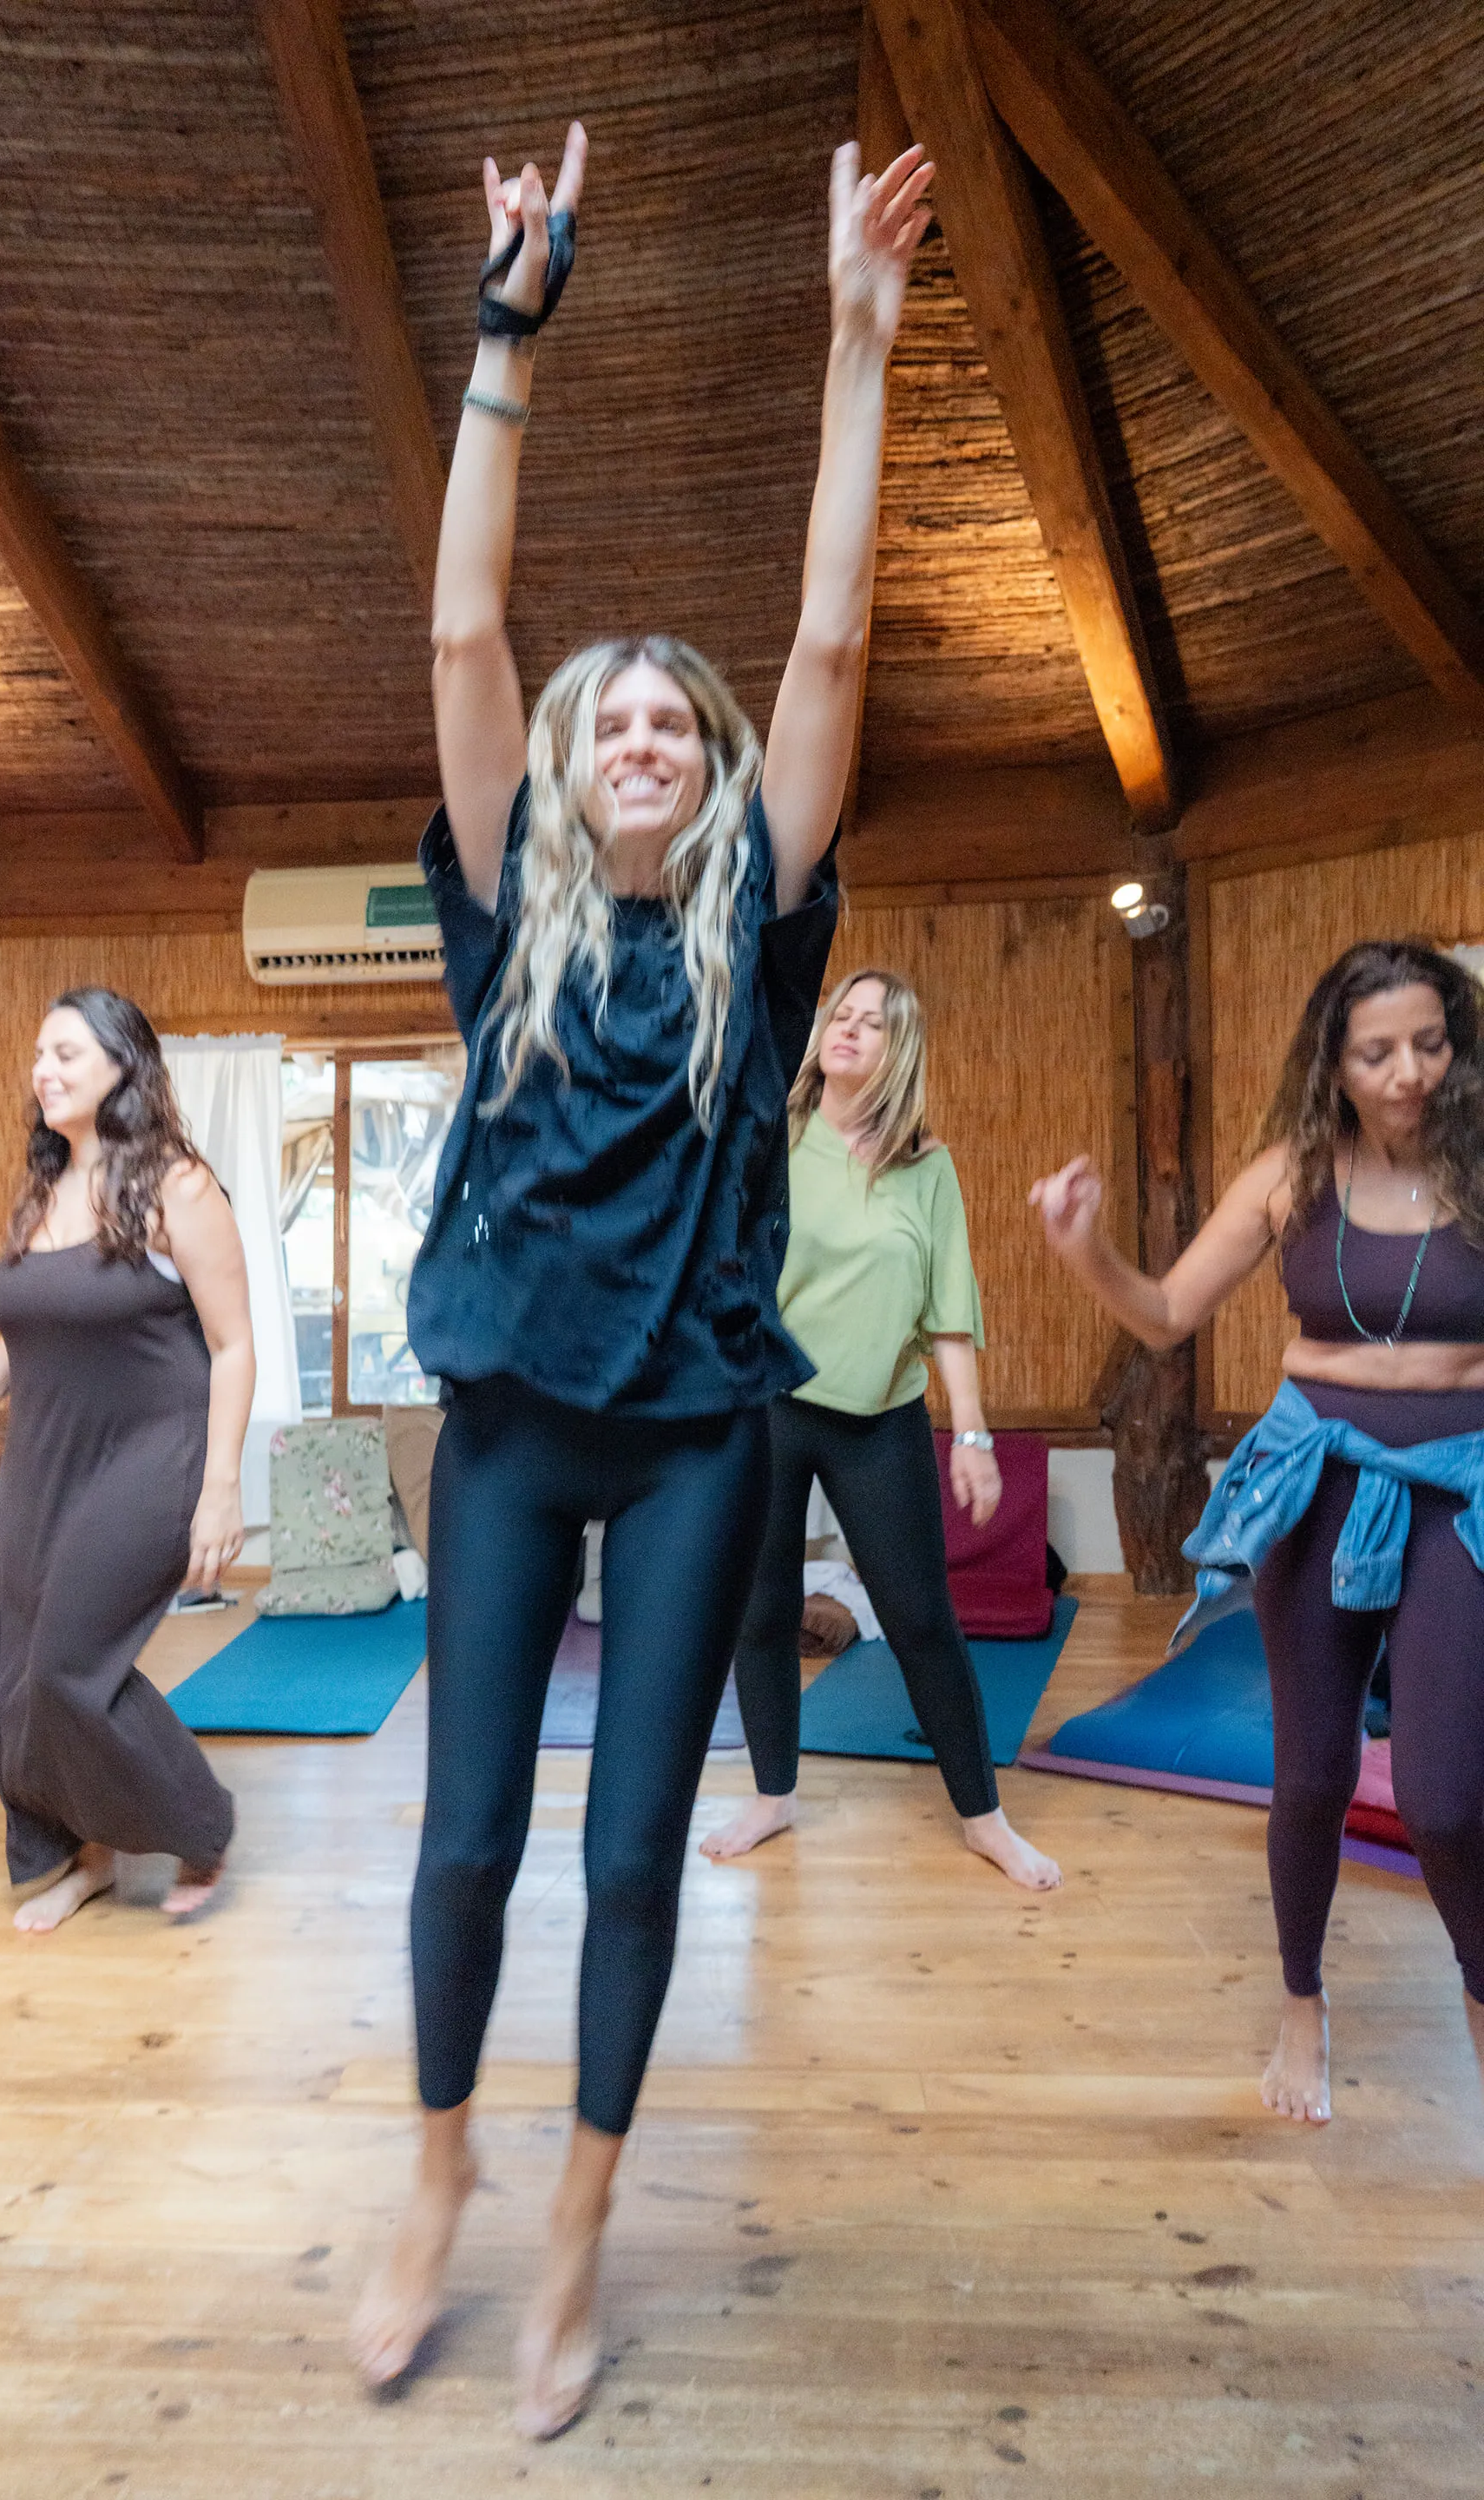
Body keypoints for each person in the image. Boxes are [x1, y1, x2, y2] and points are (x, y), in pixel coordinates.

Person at [346, 122, 936, 2436]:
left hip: (698, 1438)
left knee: (626, 1857)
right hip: (508, 1430)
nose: (642, 736)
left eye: (673, 720)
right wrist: (508, 334)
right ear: (567, 773)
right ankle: (438, 2172)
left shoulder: (764, 940)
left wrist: (859, 341)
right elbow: (460, 629)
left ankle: (581, 2220)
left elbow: (832, 634)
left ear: (711, 772)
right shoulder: (507, 917)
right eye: (612, 721)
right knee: (468, 1834)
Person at [1030, 939, 1484, 2123]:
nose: (1407, 1073)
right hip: (1313, 1481)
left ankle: (1479, 1993)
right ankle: (1301, 2005)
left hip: (1460, 1491)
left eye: (1429, 1044)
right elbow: (1167, 1311)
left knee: (1445, 1799)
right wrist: (1086, 1252)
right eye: (1376, 1053)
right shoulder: (1293, 1175)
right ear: (1333, 1061)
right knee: (1313, 1773)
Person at [700, 969, 1061, 1887]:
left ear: (898, 1052)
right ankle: (773, 1796)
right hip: (770, 1407)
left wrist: (972, 1437)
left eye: (873, 1023)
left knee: (922, 1620)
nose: (849, 1030)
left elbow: (951, 1310)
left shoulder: (925, 1166)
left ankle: (984, 1819)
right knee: (761, 1611)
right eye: (842, 1015)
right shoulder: (775, 1138)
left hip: (880, 1419)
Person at [0, 988, 253, 1933]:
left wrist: (221, 1488)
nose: (44, 1070)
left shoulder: (177, 1186)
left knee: (67, 1668)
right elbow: (28, 1328)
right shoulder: (45, 1188)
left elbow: (234, 1345)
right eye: (39, 1054)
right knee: (19, 1675)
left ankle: (199, 1822)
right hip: (46, 1459)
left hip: (155, 1452)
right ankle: (91, 1855)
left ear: (124, 1065)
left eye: (66, 1053)